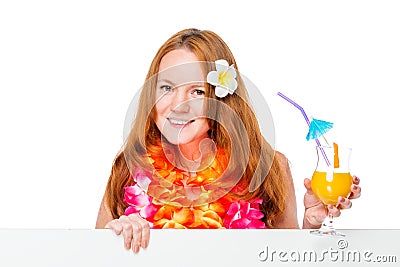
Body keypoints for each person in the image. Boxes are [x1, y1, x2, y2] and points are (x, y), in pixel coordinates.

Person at [95, 28, 361, 253]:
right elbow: (92, 255)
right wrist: (115, 235)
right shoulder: (129, 165)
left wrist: (312, 224)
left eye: (197, 91)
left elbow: (286, 258)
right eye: (167, 88)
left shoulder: (268, 166)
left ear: (221, 100)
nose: (178, 105)